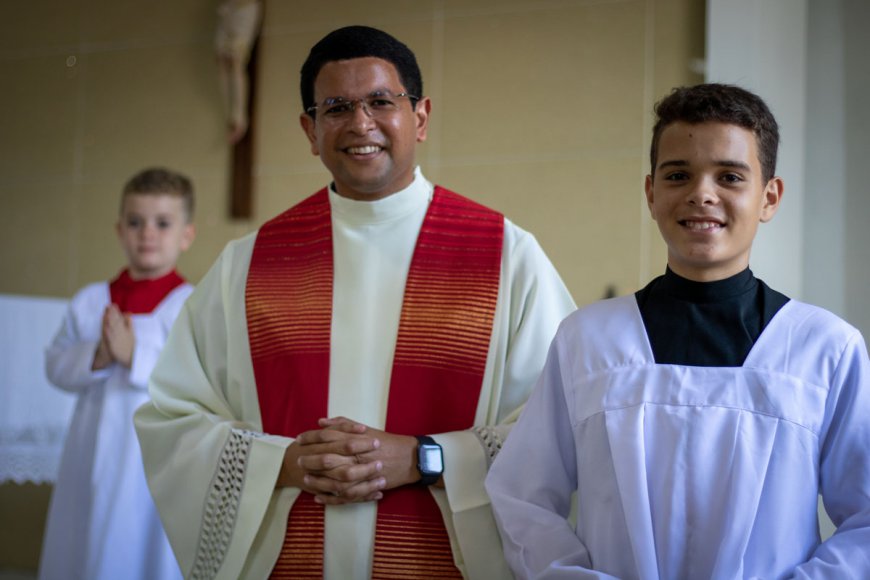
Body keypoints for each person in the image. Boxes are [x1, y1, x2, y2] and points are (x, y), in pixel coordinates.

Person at [134, 25, 575, 580]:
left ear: (420, 117)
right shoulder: (249, 264)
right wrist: (287, 462)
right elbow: (174, 419)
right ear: (310, 130)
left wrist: (423, 458)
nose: (361, 124)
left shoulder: (507, 256)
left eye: (381, 102)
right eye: (337, 107)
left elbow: (559, 426)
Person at [485, 82, 870, 579]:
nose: (701, 194)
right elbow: (523, 496)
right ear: (651, 192)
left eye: (730, 176)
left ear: (769, 197)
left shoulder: (825, 348)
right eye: (678, 175)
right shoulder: (588, 341)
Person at [40, 168, 196, 580]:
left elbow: (200, 379)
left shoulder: (191, 306)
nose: (147, 233)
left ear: (186, 235)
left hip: (152, 458)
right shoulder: (91, 301)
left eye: (162, 223)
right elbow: (56, 363)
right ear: (119, 229)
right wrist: (97, 356)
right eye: (135, 221)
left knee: (138, 544)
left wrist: (136, 355)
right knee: (83, 540)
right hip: (89, 448)